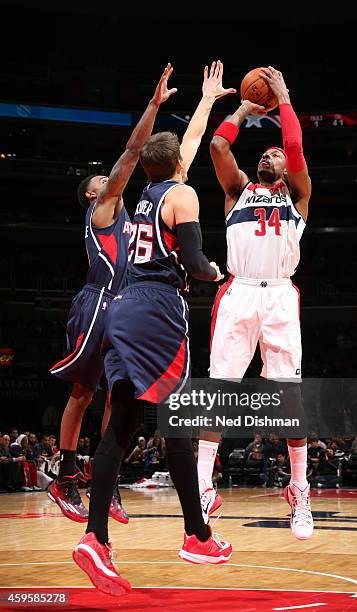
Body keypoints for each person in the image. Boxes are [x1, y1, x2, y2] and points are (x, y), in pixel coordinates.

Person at [73, 61, 235, 596]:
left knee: (123, 422)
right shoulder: (181, 196)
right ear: (179, 164)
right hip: (159, 310)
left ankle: (99, 537)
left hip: (123, 308)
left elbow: (173, 149)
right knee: (177, 424)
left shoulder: (142, 195)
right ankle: (195, 535)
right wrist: (220, 272)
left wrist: (207, 101)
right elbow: (192, 261)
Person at [48, 64, 176, 524]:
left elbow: (165, 162)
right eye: (100, 181)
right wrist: (154, 105)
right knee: (83, 393)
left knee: (121, 397)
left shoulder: (132, 214)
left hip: (128, 307)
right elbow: (133, 149)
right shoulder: (103, 209)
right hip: (97, 302)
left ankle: (108, 483)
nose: (108, 179)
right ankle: (64, 477)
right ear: (91, 196)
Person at [198, 65, 313, 540]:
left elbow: (294, 147)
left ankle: (299, 489)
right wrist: (245, 108)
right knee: (221, 390)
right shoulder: (237, 190)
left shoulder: (299, 197)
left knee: (290, 399)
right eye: (265, 153)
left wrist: (283, 96)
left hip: (281, 295)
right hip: (240, 290)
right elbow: (218, 147)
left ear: (286, 171)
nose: (272, 156)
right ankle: (203, 487)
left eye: (277, 155)